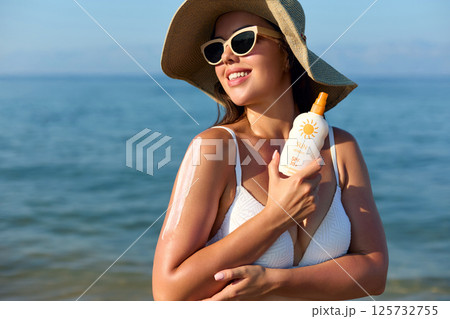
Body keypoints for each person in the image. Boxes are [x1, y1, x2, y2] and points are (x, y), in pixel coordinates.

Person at [152, 0, 388, 301]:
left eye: (242, 41)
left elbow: (375, 272)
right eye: (215, 49)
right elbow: (168, 290)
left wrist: (275, 282)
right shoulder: (214, 148)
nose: (225, 57)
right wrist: (277, 216)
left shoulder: (342, 148)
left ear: (286, 52)